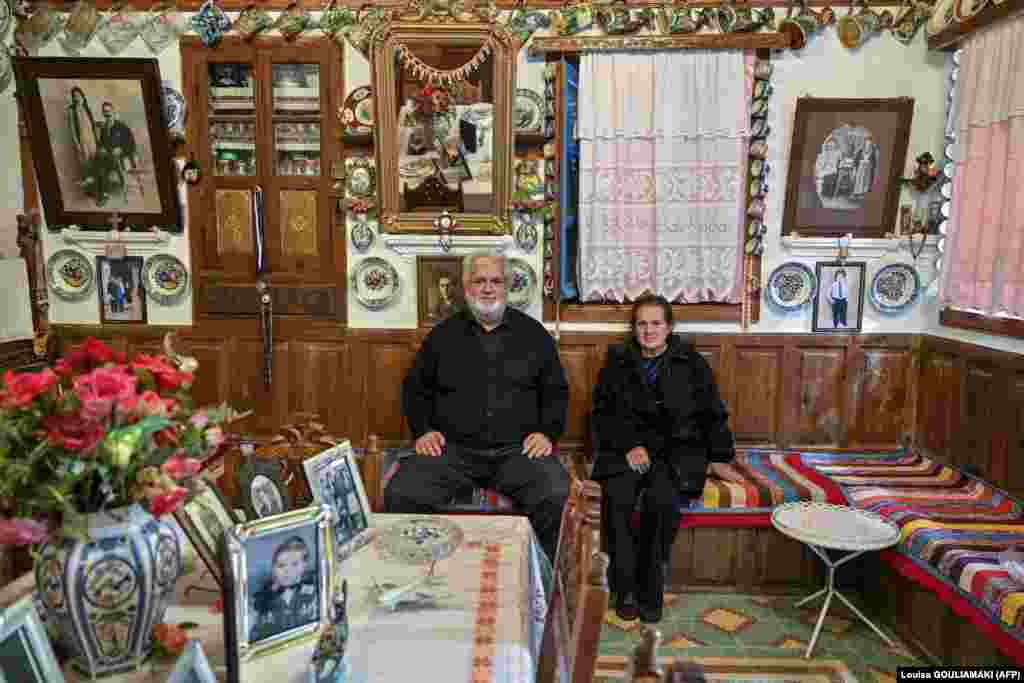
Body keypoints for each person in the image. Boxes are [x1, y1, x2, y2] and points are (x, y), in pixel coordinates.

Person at [385, 250, 570, 563]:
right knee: (403, 492)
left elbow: (556, 392)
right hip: (454, 453)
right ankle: (415, 581)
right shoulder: (442, 336)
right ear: (466, 287)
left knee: (556, 494)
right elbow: (415, 389)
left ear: (506, 287)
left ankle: (543, 586)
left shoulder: (533, 335)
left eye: (495, 281)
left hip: (517, 453)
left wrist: (546, 433)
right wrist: (424, 431)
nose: (488, 288)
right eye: (479, 281)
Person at [591, 295, 735, 624]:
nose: (649, 330)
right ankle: (624, 589)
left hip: (675, 455)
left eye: (656, 323)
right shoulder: (618, 360)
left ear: (669, 327)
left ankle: (651, 590)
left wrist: (721, 457)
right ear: (634, 328)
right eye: (642, 324)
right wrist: (629, 446)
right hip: (625, 452)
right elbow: (601, 413)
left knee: (662, 502)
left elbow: (712, 412)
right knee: (619, 499)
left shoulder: (691, 362)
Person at [251, 535, 319, 641]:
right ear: (273, 569)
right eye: (281, 565)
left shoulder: (312, 592)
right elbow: (258, 627)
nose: (288, 571)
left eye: (294, 564)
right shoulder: (267, 596)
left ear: (304, 565)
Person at [94, 102, 137, 204]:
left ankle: (105, 191)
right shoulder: (104, 129)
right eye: (105, 112)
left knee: (105, 163)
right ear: (103, 114)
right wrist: (101, 149)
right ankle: (104, 194)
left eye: (108, 111)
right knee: (100, 163)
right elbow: (101, 144)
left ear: (113, 112)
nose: (107, 114)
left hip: (121, 157)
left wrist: (121, 149)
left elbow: (131, 144)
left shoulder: (122, 127)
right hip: (108, 157)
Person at [64, 87, 99, 193]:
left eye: (79, 95)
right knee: (85, 165)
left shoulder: (87, 108)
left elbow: (93, 125)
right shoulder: (71, 110)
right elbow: (72, 130)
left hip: (91, 139)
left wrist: (97, 139)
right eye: (75, 96)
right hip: (82, 141)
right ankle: (89, 190)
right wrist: (77, 144)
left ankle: (97, 188)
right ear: (73, 98)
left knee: (95, 163)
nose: (77, 98)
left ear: (82, 96)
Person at [852, 134, 878, 198]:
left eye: (869, 144)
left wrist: (869, 162)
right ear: (864, 143)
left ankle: (863, 193)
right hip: (860, 168)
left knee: (866, 181)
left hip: (868, 169)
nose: (868, 144)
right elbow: (856, 160)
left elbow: (874, 162)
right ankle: (856, 193)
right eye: (867, 143)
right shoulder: (861, 151)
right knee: (859, 180)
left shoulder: (872, 152)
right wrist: (859, 162)